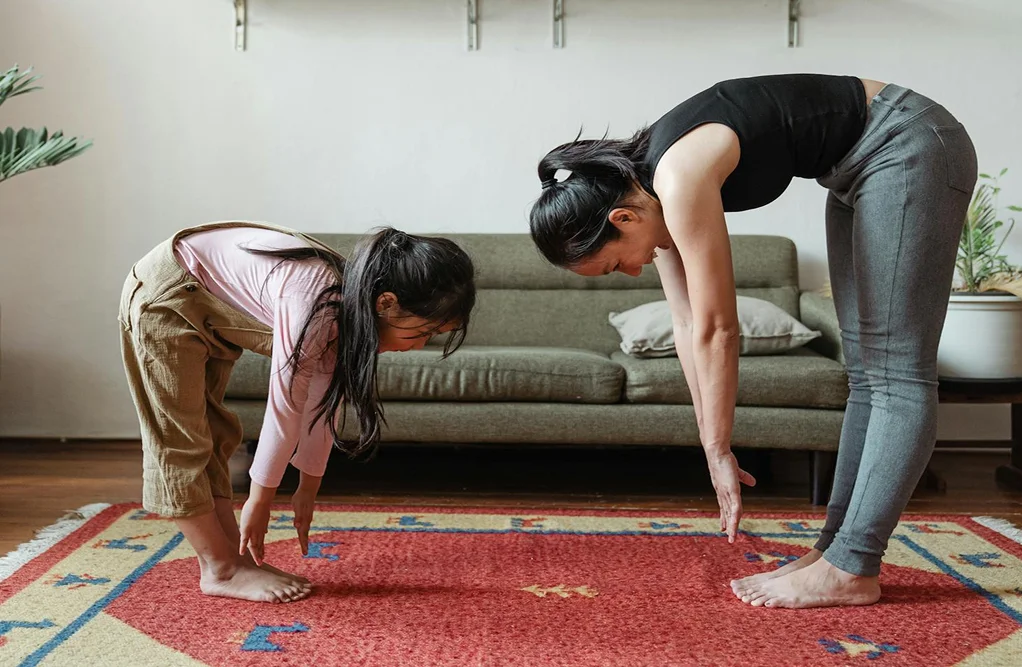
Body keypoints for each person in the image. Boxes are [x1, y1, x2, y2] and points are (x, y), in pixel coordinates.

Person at [528, 74, 976, 608]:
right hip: (855, 169)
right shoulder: (651, 196)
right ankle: (836, 551)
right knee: (868, 374)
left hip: (908, 142)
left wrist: (721, 448)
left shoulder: (677, 178)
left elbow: (720, 328)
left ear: (622, 219)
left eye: (614, 264)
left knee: (895, 371)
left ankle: (854, 565)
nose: (629, 273)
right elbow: (689, 323)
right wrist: (708, 441)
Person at [119, 222, 475, 603]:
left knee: (214, 431)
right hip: (167, 296)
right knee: (180, 441)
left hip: (202, 298)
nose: (420, 345)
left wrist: (308, 487)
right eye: (424, 331)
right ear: (386, 303)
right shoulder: (315, 300)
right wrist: (260, 500)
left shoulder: (349, 309)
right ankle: (219, 569)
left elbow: (321, 402)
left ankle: (235, 560)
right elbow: (285, 404)